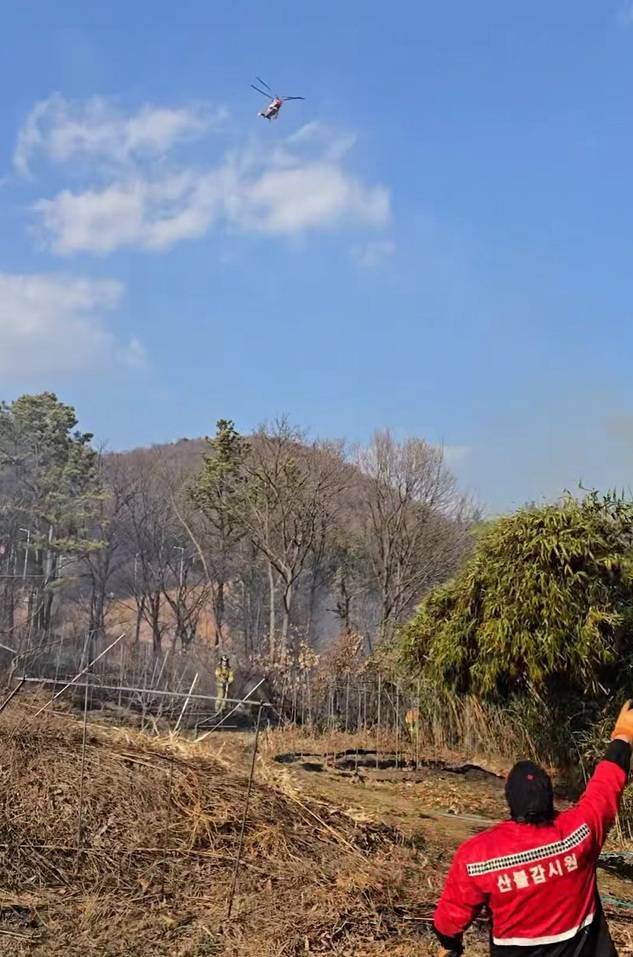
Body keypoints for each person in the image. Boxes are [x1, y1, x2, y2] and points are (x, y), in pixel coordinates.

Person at [433, 701, 633, 957]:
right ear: (549, 797)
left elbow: (450, 920)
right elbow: (605, 787)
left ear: (510, 801)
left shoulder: (477, 856)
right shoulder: (580, 833)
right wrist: (623, 737)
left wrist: (449, 945)